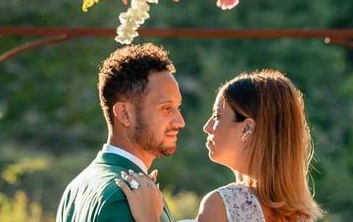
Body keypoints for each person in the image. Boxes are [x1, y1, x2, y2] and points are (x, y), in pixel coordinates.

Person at [117, 70, 322, 222]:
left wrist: (147, 217)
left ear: (247, 129)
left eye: (217, 116)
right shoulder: (301, 215)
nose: (207, 127)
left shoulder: (225, 204)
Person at [56, 43, 185, 222]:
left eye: (178, 107)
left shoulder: (75, 188)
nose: (180, 121)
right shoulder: (125, 196)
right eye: (166, 108)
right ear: (124, 114)